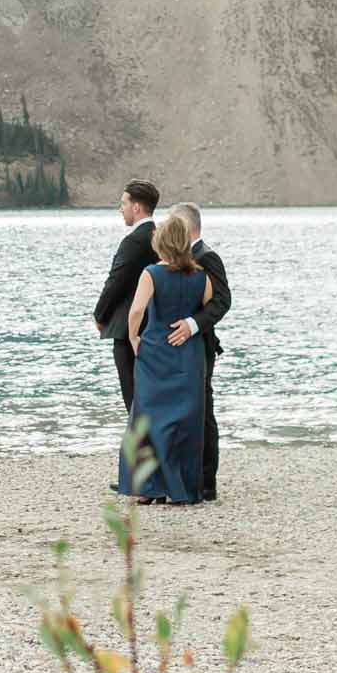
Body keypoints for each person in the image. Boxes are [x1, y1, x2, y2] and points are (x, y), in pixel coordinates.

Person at [117, 212, 212, 505]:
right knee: (185, 422)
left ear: (160, 242)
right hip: (188, 353)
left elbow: (136, 311)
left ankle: (149, 487)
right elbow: (207, 308)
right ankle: (182, 488)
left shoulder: (151, 273)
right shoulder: (201, 276)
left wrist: (134, 336)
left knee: (147, 417)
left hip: (156, 351)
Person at [165, 202, 231, 501]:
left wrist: (193, 324)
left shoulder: (207, 257)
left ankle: (207, 481)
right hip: (174, 347)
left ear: (186, 226)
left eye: (171, 223)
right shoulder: (172, 258)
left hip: (199, 344)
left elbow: (221, 301)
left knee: (203, 409)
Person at [92, 181, 160, 413]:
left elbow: (116, 282)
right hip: (157, 327)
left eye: (123, 203)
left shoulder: (133, 241)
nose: (120, 209)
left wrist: (99, 315)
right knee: (153, 394)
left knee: (133, 397)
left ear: (137, 207)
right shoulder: (162, 238)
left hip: (128, 330)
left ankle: (138, 446)